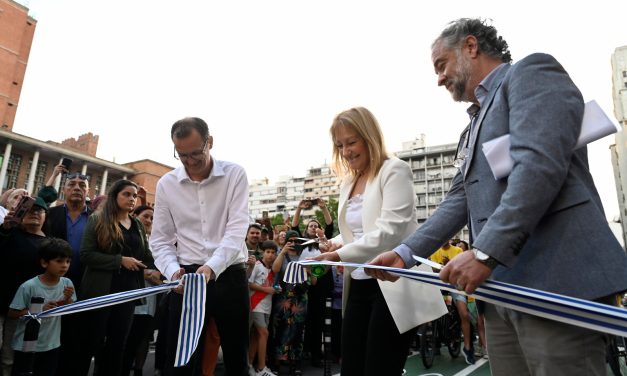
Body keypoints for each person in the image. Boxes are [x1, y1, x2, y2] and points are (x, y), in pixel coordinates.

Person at [369, 18, 627, 375]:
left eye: (441, 65)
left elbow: (538, 164)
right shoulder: (469, 130)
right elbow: (459, 201)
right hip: (499, 292)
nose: (439, 78)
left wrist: (487, 250)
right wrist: (405, 253)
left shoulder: (531, 72)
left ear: (471, 47)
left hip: (556, 281)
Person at [312, 107, 444, 376]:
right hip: (359, 283)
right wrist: (336, 244)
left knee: (380, 368)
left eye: (352, 142)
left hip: (392, 282)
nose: (346, 151)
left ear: (369, 136)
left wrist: (340, 255)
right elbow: (357, 230)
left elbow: (390, 230)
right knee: (351, 367)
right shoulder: (348, 181)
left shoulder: (394, 170)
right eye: (340, 145)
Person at [150, 117, 250, 376]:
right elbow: (160, 239)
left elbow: (237, 228)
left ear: (210, 142)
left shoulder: (234, 174)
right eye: (182, 156)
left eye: (196, 153)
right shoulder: (167, 184)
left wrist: (212, 266)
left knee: (236, 354)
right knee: (181, 357)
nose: (191, 162)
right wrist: (173, 271)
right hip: (187, 277)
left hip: (229, 273)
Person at [75, 179, 153, 376]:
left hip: (128, 292)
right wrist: (119, 261)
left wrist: (166, 270)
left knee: (118, 344)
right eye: (126, 194)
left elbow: (145, 255)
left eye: (134, 196)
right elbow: (86, 254)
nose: (132, 199)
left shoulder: (137, 224)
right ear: (114, 196)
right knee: (93, 343)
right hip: (101, 291)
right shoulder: (98, 219)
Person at [44, 172, 92, 376]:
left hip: (84, 286)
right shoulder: (51, 215)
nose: (77, 188)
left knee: (78, 337)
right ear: (64, 189)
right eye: (72, 184)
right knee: (49, 337)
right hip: (51, 287)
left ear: (89, 191)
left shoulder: (96, 219)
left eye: (82, 185)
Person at [8, 238, 76, 376]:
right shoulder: (29, 286)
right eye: (59, 261)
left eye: (68, 261)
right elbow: (12, 313)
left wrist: (68, 299)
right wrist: (39, 310)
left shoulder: (67, 283)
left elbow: (71, 309)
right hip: (27, 346)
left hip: (52, 345)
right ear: (44, 262)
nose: (64, 265)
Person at [0, 196, 49, 376]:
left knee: (10, 356)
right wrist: (4, 229)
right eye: (29, 209)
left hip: (26, 309)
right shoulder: (9, 232)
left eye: (39, 210)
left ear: (46, 216)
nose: (34, 213)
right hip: (2, 301)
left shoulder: (50, 244)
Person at [271, 231, 311, 376]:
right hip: (283, 299)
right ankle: (277, 362)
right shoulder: (281, 253)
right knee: (280, 329)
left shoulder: (305, 256)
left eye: (297, 241)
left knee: (298, 330)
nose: (294, 244)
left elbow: (314, 280)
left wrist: (309, 271)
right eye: (291, 241)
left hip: (300, 299)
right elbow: (275, 269)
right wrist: (282, 251)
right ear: (286, 241)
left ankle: (296, 363)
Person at [429, 241, 474, 364]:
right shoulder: (435, 251)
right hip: (440, 286)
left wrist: (447, 265)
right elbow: (433, 269)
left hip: (455, 286)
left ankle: (468, 346)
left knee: (464, 314)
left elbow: (462, 269)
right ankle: (435, 342)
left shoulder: (458, 251)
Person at [248, 241, 279, 376]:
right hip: (255, 304)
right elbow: (248, 283)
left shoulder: (273, 268)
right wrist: (266, 289)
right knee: (264, 333)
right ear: (262, 252)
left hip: (267, 306)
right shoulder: (257, 265)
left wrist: (274, 290)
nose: (271, 255)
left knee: (256, 335)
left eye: (273, 252)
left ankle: (248, 365)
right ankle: (261, 368)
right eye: (268, 252)